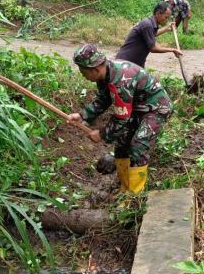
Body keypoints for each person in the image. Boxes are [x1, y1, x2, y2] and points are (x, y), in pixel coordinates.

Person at [68, 44, 173, 194]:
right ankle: (125, 189)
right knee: (122, 144)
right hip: (137, 108)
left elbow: (121, 119)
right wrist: (83, 115)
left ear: (95, 69)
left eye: (83, 71)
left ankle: (135, 196)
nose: (82, 75)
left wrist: (102, 134)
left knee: (138, 146)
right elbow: (104, 100)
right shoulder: (104, 75)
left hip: (156, 108)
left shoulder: (121, 81)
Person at [115, 1, 182, 68]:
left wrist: (166, 28)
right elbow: (153, 48)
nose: (167, 20)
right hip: (126, 64)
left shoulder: (150, 23)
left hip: (134, 64)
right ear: (158, 13)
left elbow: (152, 34)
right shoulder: (148, 25)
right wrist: (173, 50)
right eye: (166, 17)